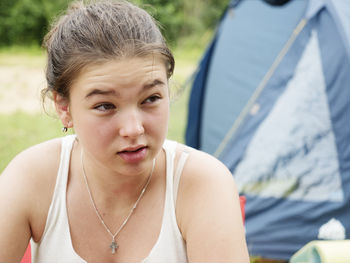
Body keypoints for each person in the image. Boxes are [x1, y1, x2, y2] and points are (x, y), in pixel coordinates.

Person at [0, 0, 249, 262]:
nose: (133, 129)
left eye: (151, 98)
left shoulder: (201, 184)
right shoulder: (33, 178)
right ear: (64, 107)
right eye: (105, 105)